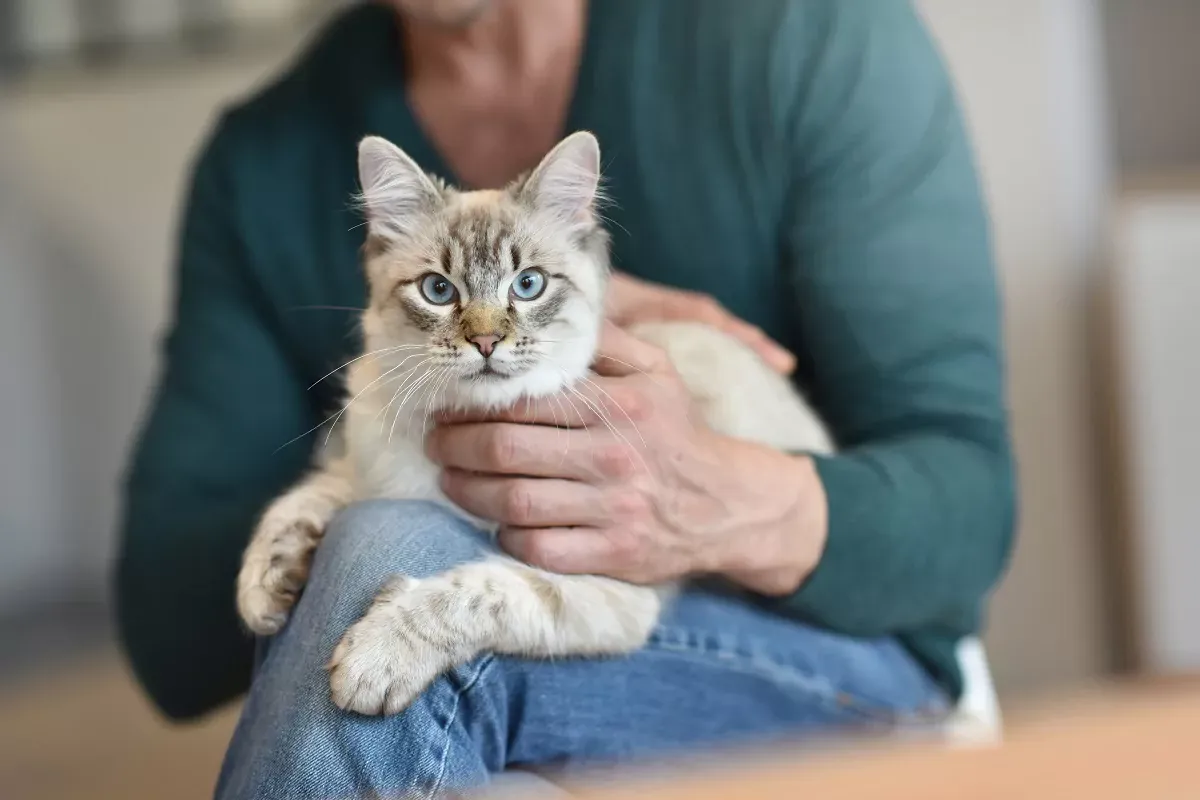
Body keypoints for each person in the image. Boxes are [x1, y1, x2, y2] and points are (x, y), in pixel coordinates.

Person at [115, 0, 1016, 796]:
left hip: (823, 642)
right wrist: (341, 485)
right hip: (485, 623)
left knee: (388, 552)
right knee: (387, 561)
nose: (484, 330)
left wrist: (718, 499)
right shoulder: (262, 159)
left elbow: (972, 509)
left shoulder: (806, 33)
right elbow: (166, 629)